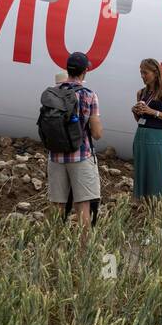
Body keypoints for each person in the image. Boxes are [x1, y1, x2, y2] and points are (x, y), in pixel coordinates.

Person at [46, 52, 103, 233]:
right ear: (85, 70)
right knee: (83, 206)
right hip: (81, 155)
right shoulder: (89, 95)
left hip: (55, 155)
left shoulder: (53, 92)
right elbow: (96, 133)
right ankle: (82, 253)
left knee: (57, 205)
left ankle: (53, 251)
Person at [131, 58, 162, 200]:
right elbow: (139, 121)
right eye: (141, 72)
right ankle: (143, 208)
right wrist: (135, 111)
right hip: (141, 137)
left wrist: (154, 112)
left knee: (156, 174)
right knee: (142, 174)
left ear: (155, 73)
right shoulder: (140, 93)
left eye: (145, 73)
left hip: (156, 139)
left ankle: (158, 208)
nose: (142, 76)